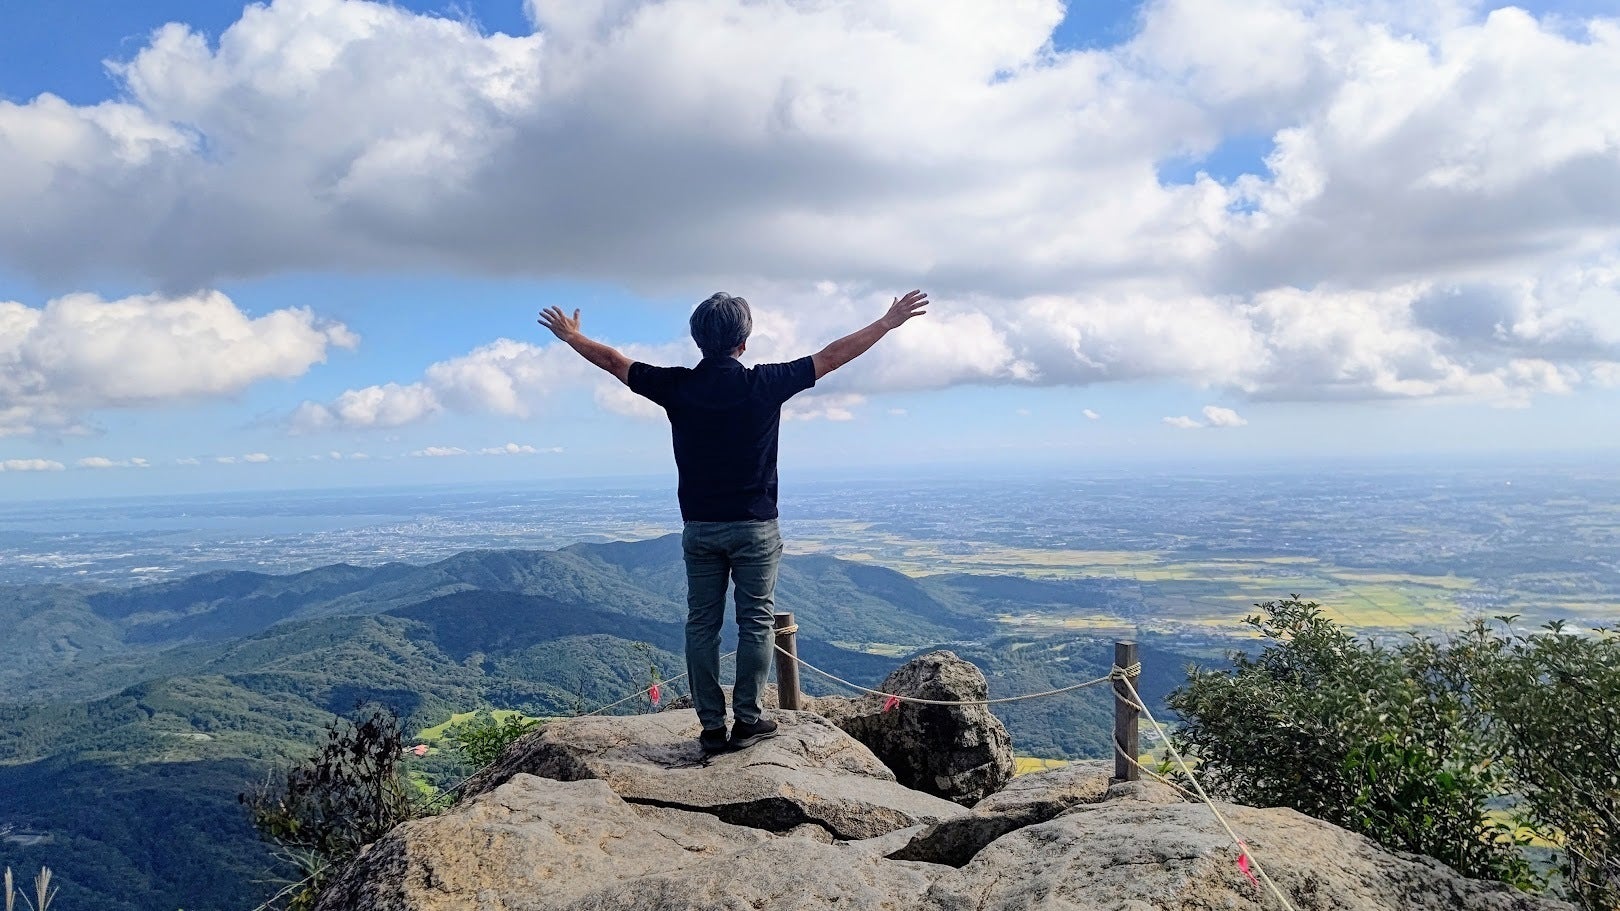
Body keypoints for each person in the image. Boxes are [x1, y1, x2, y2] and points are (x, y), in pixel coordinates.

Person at [538, 291, 929, 753]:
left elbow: (613, 362)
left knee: (701, 624)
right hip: (755, 527)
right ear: (743, 342)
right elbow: (830, 357)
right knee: (756, 621)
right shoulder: (764, 383)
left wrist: (572, 337)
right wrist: (886, 322)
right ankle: (747, 720)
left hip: (700, 526)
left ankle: (710, 727)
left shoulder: (677, 386)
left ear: (697, 340)